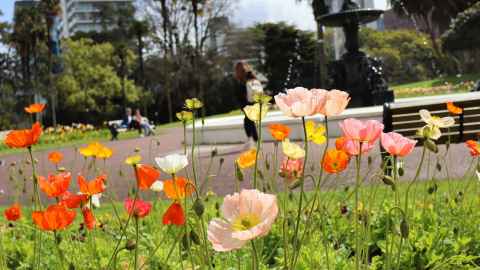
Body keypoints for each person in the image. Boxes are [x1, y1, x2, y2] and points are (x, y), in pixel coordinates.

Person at [234, 62, 264, 149]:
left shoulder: (243, 78)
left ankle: (252, 140)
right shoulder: (251, 75)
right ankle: (254, 141)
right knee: (249, 121)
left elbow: (241, 92)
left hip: (247, 102)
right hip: (253, 101)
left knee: (248, 121)